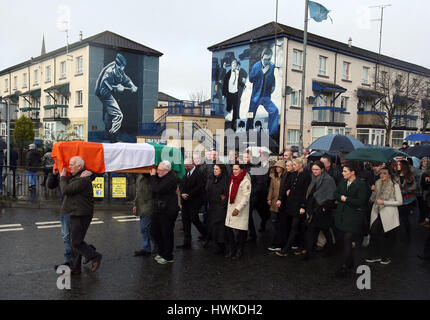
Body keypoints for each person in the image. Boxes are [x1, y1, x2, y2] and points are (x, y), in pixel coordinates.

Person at [59, 156, 102, 275]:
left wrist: (62, 176)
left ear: (80, 166)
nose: (69, 166)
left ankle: (95, 256)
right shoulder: (78, 176)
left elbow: (66, 190)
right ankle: (75, 267)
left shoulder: (83, 179)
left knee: (76, 242)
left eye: (72, 164)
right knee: (75, 241)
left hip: (81, 214)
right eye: (69, 164)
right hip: (76, 212)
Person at [333, 162, 367, 278]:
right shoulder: (343, 181)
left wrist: (345, 199)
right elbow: (336, 193)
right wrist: (341, 198)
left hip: (353, 216)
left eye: (345, 171)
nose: (342, 173)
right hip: (342, 215)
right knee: (343, 239)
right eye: (343, 171)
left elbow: (361, 201)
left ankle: (343, 267)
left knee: (348, 240)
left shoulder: (361, 184)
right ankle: (350, 261)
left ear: (353, 172)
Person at [94, 53, 138, 142]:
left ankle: (107, 133)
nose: (122, 69)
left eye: (123, 68)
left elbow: (126, 79)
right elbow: (105, 85)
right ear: (117, 65)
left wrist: (132, 85)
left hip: (108, 91)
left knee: (110, 113)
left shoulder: (119, 70)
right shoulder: (109, 71)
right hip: (103, 92)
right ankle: (113, 135)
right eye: (121, 67)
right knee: (118, 114)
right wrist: (116, 87)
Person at [366, 166, 402, 265]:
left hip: (388, 214)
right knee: (374, 233)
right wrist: (373, 191)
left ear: (389, 175)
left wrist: (385, 202)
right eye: (381, 173)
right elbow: (372, 200)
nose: (381, 175)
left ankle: (385, 257)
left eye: (384, 173)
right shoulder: (377, 183)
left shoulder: (394, 185)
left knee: (386, 236)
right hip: (377, 212)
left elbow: (400, 202)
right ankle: (375, 255)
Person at [276, 158, 311, 257]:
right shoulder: (293, 174)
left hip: (300, 206)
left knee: (294, 227)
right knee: (298, 227)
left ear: (301, 165)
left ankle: (286, 250)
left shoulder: (306, 175)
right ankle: (303, 246)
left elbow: (306, 192)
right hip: (291, 204)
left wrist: (303, 206)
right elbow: (286, 187)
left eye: (295, 164)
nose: (293, 166)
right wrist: (280, 198)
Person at [301, 161, 336, 261]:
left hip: (323, 209)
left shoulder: (328, 180)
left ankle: (330, 249)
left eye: (317, 169)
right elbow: (310, 192)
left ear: (322, 169)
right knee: (312, 231)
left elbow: (331, 195)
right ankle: (309, 253)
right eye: (313, 169)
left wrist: (324, 207)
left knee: (325, 230)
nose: (314, 171)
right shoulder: (312, 178)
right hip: (313, 208)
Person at [150, 160, 180, 264]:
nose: (157, 171)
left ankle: (168, 256)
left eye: (159, 170)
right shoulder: (163, 176)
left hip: (167, 211)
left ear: (166, 171)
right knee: (154, 231)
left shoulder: (171, 179)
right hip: (159, 209)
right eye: (157, 169)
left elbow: (157, 189)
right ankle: (161, 252)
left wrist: (153, 176)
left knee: (166, 233)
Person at [246, 48, 279, 137]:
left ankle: (271, 133)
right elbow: (251, 79)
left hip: (265, 96)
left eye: (269, 59)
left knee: (275, 111)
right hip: (256, 96)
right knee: (250, 114)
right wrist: (261, 72)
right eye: (265, 59)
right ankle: (248, 132)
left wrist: (273, 87)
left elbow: (272, 78)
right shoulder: (256, 66)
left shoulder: (272, 66)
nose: (267, 61)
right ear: (261, 58)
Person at [177, 158, 207, 249]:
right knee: (185, 221)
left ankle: (206, 234)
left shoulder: (199, 173)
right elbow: (182, 185)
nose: (186, 167)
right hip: (186, 201)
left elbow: (200, 187)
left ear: (192, 164)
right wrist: (182, 193)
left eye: (187, 166)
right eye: (185, 166)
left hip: (195, 201)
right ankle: (187, 243)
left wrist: (188, 195)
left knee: (194, 219)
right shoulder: (187, 173)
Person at [225, 163, 251, 259]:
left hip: (240, 210)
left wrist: (238, 208)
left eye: (236, 169)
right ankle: (232, 249)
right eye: (233, 169)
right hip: (231, 207)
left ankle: (240, 250)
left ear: (241, 170)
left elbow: (246, 197)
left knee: (240, 231)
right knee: (229, 229)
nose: (234, 171)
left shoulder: (245, 180)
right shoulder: (233, 178)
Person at [206, 164, 229, 255]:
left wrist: (222, 202)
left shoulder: (224, 180)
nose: (214, 170)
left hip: (220, 207)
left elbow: (225, 193)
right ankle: (216, 244)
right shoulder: (213, 179)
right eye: (214, 169)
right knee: (214, 226)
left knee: (220, 227)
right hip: (213, 206)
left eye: (216, 169)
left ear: (221, 170)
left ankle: (222, 246)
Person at [133, 173, 155, 256]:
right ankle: (147, 248)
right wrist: (135, 204)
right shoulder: (140, 176)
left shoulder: (151, 177)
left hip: (148, 206)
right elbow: (137, 192)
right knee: (145, 229)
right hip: (141, 206)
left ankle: (156, 245)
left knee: (145, 228)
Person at [395, 160, 417, 240]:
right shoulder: (396, 175)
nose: (397, 165)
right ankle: (398, 234)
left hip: (407, 200)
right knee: (398, 216)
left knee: (405, 218)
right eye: (397, 164)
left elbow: (414, 187)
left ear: (403, 166)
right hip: (398, 199)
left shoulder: (410, 175)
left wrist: (404, 191)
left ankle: (407, 234)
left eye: (399, 164)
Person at [222, 59, 246, 131]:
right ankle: (228, 107)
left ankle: (233, 125)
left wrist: (243, 85)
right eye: (233, 64)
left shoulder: (238, 72)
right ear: (231, 65)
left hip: (235, 93)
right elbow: (224, 85)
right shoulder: (227, 74)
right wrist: (223, 94)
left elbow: (238, 81)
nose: (234, 65)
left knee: (235, 110)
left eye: (235, 64)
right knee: (229, 108)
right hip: (229, 93)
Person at [267, 160, 285, 250]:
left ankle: (278, 243)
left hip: (282, 203)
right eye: (276, 167)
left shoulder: (285, 177)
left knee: (279, 224)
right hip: (274, 202)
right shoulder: (273, 177)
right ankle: (273, 242)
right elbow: (271, 188)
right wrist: (269, 198)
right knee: (273, 223)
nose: (277, 168)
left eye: (279, 167)